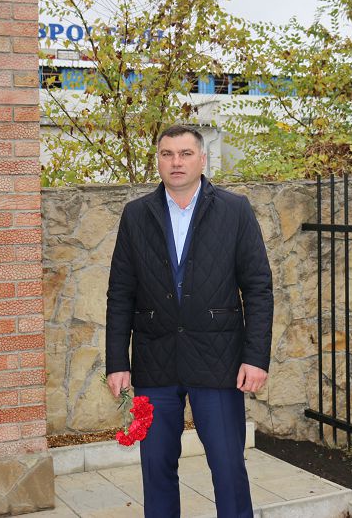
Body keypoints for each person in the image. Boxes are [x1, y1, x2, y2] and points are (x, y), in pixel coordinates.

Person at [105, 124, 273, 518]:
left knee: (228, 468)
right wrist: (117, 362)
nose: (176, 162)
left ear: (202, 159)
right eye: (167, 154)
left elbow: (258, 288)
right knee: (157, 468)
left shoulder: (234, 210)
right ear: (158, 160)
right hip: (155, 360)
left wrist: (255, 357)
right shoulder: (136, 215)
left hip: (218, 360)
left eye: (185, 154)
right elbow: (120, 293)